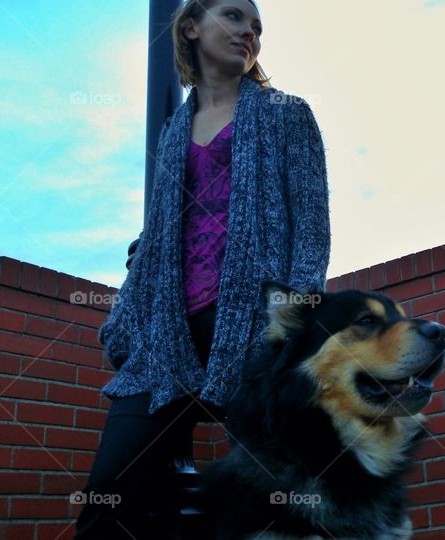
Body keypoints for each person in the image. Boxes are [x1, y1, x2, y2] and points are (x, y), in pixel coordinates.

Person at [74, 0, 331, 537]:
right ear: (191, 26)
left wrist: (293, 323)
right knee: (108, 497)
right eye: (233, 16)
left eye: (257, 27)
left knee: (275, 506)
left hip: (253, 329)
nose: (248, 32)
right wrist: (138, 277)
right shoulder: (174, 128)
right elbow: (168, 224)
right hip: (167, 336)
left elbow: (311, 229)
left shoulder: (287, 113)